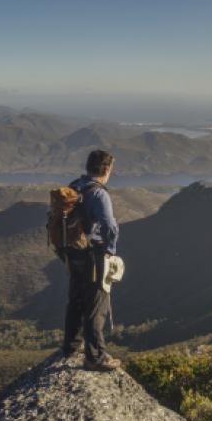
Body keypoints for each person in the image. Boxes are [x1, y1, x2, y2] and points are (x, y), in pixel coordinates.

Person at [63, 150, 121, 371]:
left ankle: (70, 347)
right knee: (97, 304)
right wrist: (110, 251)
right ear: (106, 169)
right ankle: (94, 358)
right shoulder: (99, 194)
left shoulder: (75, 185)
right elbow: (109, 226)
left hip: (72, 253)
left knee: (76, 299)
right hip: (92, 254)